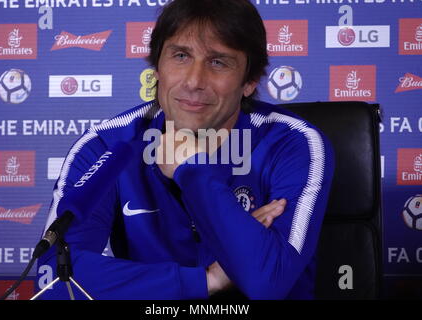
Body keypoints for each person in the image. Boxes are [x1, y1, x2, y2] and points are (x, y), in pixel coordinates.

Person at [37, 0, 334, 299]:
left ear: (249, 80)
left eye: (218, 62)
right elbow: (54, 279)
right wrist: (206, 280)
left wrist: (191, 170)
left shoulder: (293, 143)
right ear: (157, 67)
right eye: (181, 56)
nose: (194, 81)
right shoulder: (106, 145)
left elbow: (268, 283)